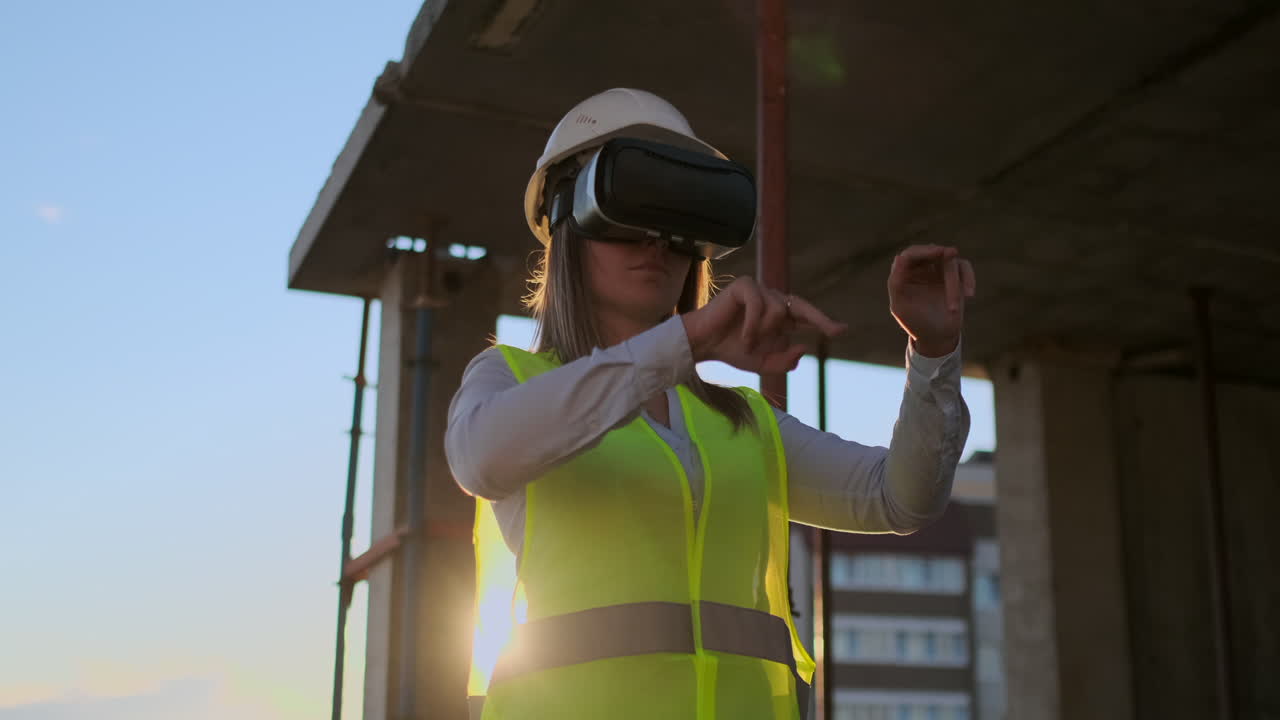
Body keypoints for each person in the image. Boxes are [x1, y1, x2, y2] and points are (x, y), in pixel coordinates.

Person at [446, 88, 976, 720]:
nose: (654, 242)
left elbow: (902, 498)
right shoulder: (509, 380)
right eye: (623, 211)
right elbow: (480, 459)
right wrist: (687, 339)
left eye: (676, 223)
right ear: (566, 223)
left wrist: (933, 354)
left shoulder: (745, 425)